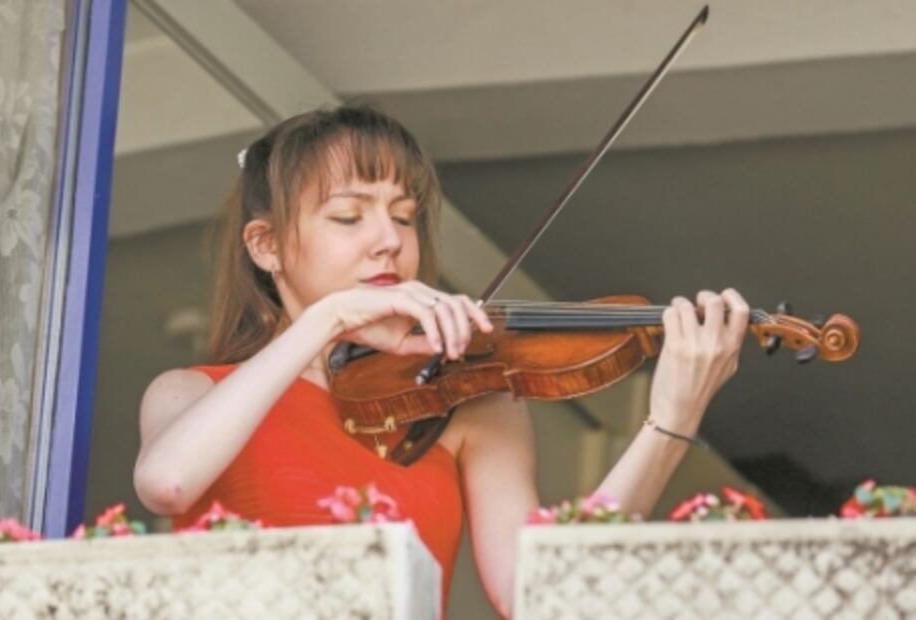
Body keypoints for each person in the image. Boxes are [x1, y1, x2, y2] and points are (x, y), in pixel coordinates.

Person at [133, 105, 750, 618]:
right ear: (267, 246)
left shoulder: (466, 406)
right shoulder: (190, 394)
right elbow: (168, 483)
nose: (390, 240)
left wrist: (672, 420)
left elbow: (541, 595)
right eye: (350, 216)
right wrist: (328, 318)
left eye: (403, 217)